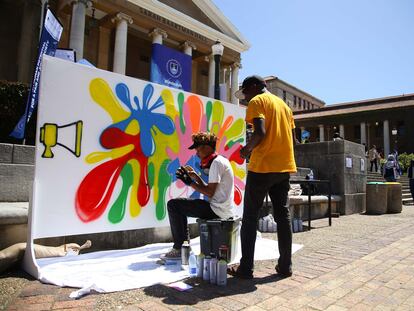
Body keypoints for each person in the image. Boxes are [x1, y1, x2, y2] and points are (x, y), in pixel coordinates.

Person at [229, 75, 297, 279]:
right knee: (283, 216)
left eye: (246, 93)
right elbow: (294, 140)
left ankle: (245, 268)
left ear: (255, 87)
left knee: (250, 217)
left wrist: (246, 150)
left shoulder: (257, 101)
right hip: (284, 168)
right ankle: (285, 266)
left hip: (263, 167)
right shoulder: (285, 107)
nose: (245, 98)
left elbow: (259, 132)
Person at [162, 132, 235, 259]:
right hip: (220, 209)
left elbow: (209, 192)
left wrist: (190, 183)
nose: (197, 153)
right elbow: (210, 189)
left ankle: (180, 248)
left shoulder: (216, 164)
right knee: (178, 205)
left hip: (217, 211)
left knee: (173, 205)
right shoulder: (220, 160)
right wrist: (195, 176)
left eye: (198, 150)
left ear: (207, 148)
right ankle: (183, 245)